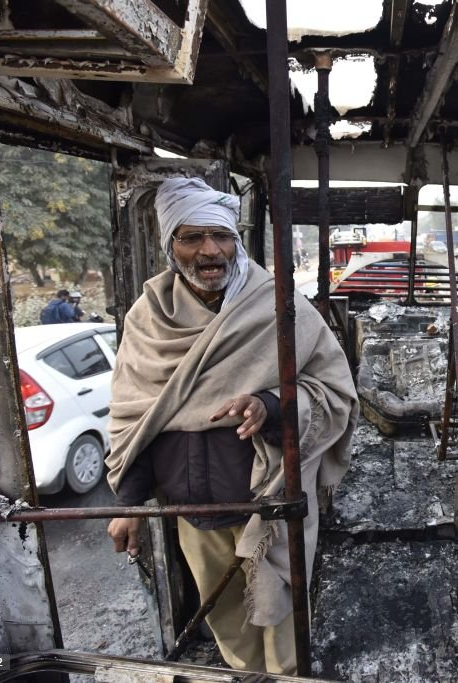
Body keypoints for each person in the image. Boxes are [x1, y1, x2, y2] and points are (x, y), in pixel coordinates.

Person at [105, 177, 358, 674]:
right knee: (226, 621)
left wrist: (270, 405)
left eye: (221, 236)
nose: (210, 251)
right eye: (192, 237)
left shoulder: (277, 304)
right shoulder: (147, 318)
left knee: (284, 620)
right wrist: (130, 504)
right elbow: (134, 415)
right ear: (170, 245)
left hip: (269, 504)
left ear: (236, 241)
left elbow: (334, 392)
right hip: (192, 510)